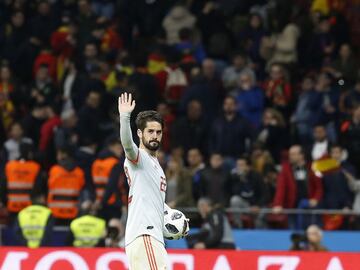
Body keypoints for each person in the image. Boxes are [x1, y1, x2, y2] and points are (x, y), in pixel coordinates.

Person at [118, 92, 188, 270]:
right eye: (150, 131)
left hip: (151, 236)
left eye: (158, 132)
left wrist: (170, 213)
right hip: (145, 234)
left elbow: (152, 199)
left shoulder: (155, 165)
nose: (155, 135)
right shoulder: (139, 159)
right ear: (140, 133)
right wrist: (125, 117)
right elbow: (127, 144)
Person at [1, 142, 44, 219]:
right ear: (30, 152)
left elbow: (3, 186)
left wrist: (4, 203)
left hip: (12, 206)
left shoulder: (10, 166)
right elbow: (38, 187)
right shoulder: (35, 167)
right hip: (29, 207)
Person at [47, 146, 86, 225]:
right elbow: (82, 189)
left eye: (58, 154)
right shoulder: (79, 172)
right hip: (72, 212)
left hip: (55, 212)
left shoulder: (54, 170)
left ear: (64, 155)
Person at [91, 136, 128, 222]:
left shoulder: (96, 163)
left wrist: (97, 201)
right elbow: (112, 185)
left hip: (98, 203)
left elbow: (93, 184)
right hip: (113, 204)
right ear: (111, 147)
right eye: (119, 148)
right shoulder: (115, 163)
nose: (121, 151)